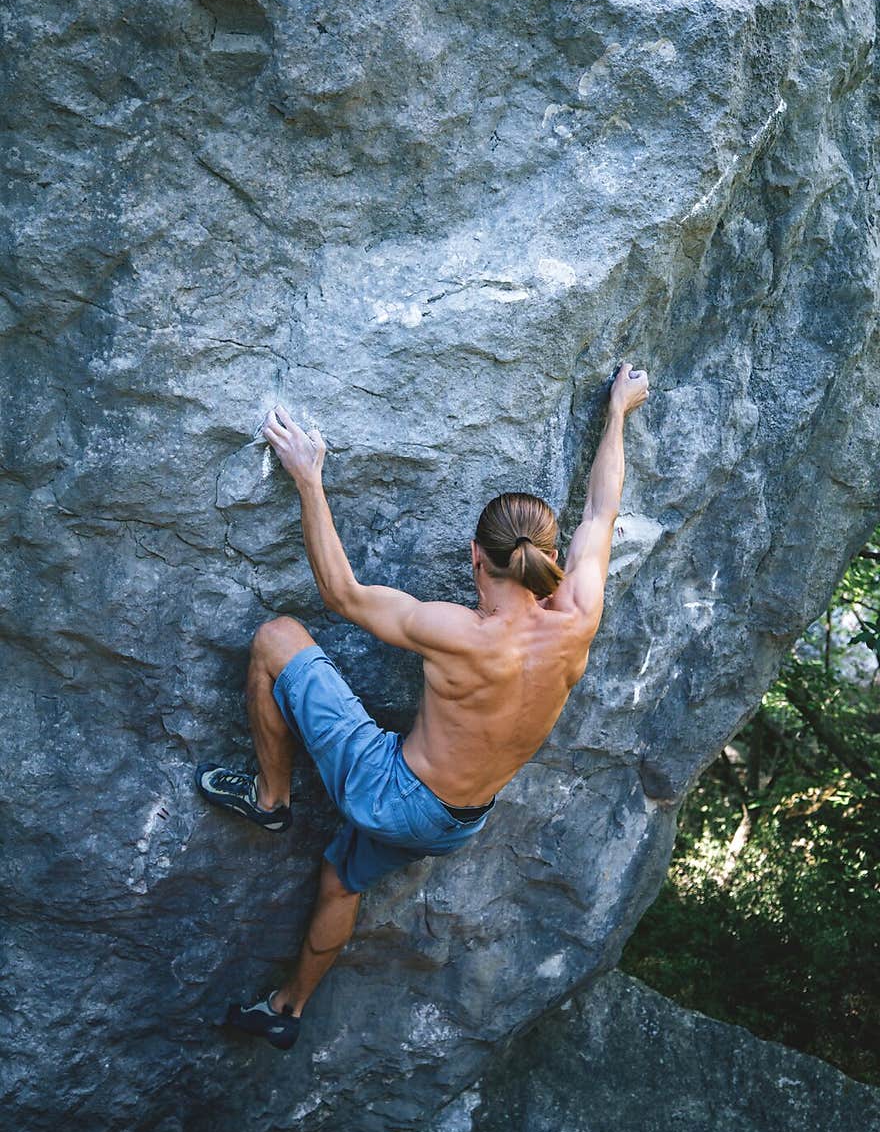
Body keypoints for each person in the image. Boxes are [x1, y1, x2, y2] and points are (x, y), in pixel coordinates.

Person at [195, 361, 649, 1050]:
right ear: (548, 560)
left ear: (475, 558)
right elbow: (601, 509)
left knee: (275, 640)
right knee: (341, 879)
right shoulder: (580, 614)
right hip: (457, 823)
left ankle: (270, 798)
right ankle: (286, 1010)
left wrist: (309, 478)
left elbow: (342, 595)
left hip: (393, 792)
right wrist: (618, 413)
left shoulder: (459, 633)